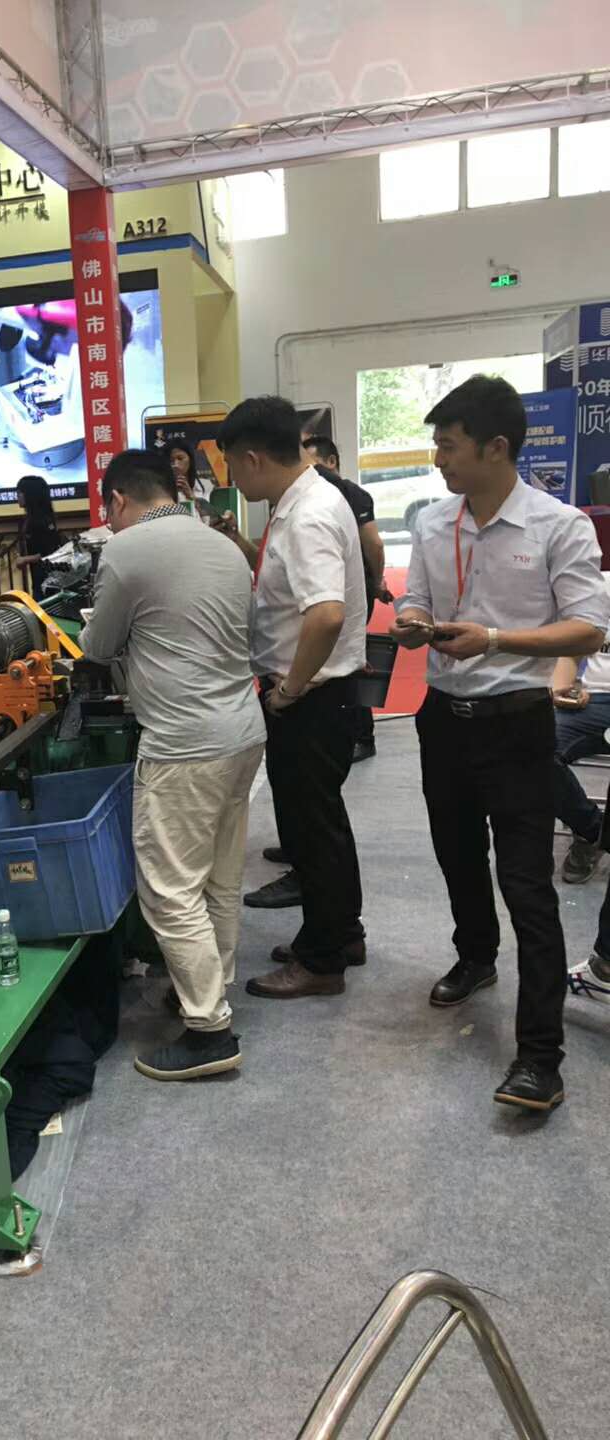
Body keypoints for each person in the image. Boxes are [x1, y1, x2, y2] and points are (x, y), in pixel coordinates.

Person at [391, 374, 607, 1112]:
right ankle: (475, 957)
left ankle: (540, 1059)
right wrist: (413, 621)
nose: (438, 459)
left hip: (518, 725)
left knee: (527, 887)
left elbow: (587, 629)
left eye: (448, 446)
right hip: (442, 720)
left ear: (496, 448)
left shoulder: (558, 525)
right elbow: (418, 595)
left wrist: (494, 639)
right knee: (456, 855)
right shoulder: (432, 522)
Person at [81, 450, 265, 1081]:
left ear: (117, 500)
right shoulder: (223, 544)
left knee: (170, 888)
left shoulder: (126, 548)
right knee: (219, 876)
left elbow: (98, 645)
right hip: (241, 730)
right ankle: (209, 991)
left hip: (184, 743)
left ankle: (209, 1031)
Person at [221, 396, 368, 998]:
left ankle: (322, 960)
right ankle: (342, 933)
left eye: (232, 465)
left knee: (311, 829)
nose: (233, 479)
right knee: (322, 823)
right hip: (323, 695)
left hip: (313, 698)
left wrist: (289, 688)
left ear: (253, 457)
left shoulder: (307, 515)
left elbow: (325, 614)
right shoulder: (304, 502)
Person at [304, 433, 388, 762]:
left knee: (351, 659)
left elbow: (374, 544)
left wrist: (377, 582)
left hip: (352, 588)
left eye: (314, 465)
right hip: (328, 585)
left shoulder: (351, 494)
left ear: (332, 462)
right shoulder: (308, 494)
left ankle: (363, 736)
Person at [547, 576, 610, 884]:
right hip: (596, 700)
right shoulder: (601, 587)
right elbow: (572, 650)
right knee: (535, 748)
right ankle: (593, 830)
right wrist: (561, 688)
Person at [14, 474, 62, 596]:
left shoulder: (41, 521)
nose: (17, 496)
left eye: (20, 493)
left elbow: (49, 552)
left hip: (48, 579)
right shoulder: (31, 519)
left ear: (30, 495)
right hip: (38, 577)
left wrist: (24, 559)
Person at [163, 438, 214, 521]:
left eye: (180, 458)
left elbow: (211, 518)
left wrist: (191, 496)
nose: (175, 464)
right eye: (171, 460)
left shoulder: (206, 485)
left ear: (190, 460)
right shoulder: (162, 489)